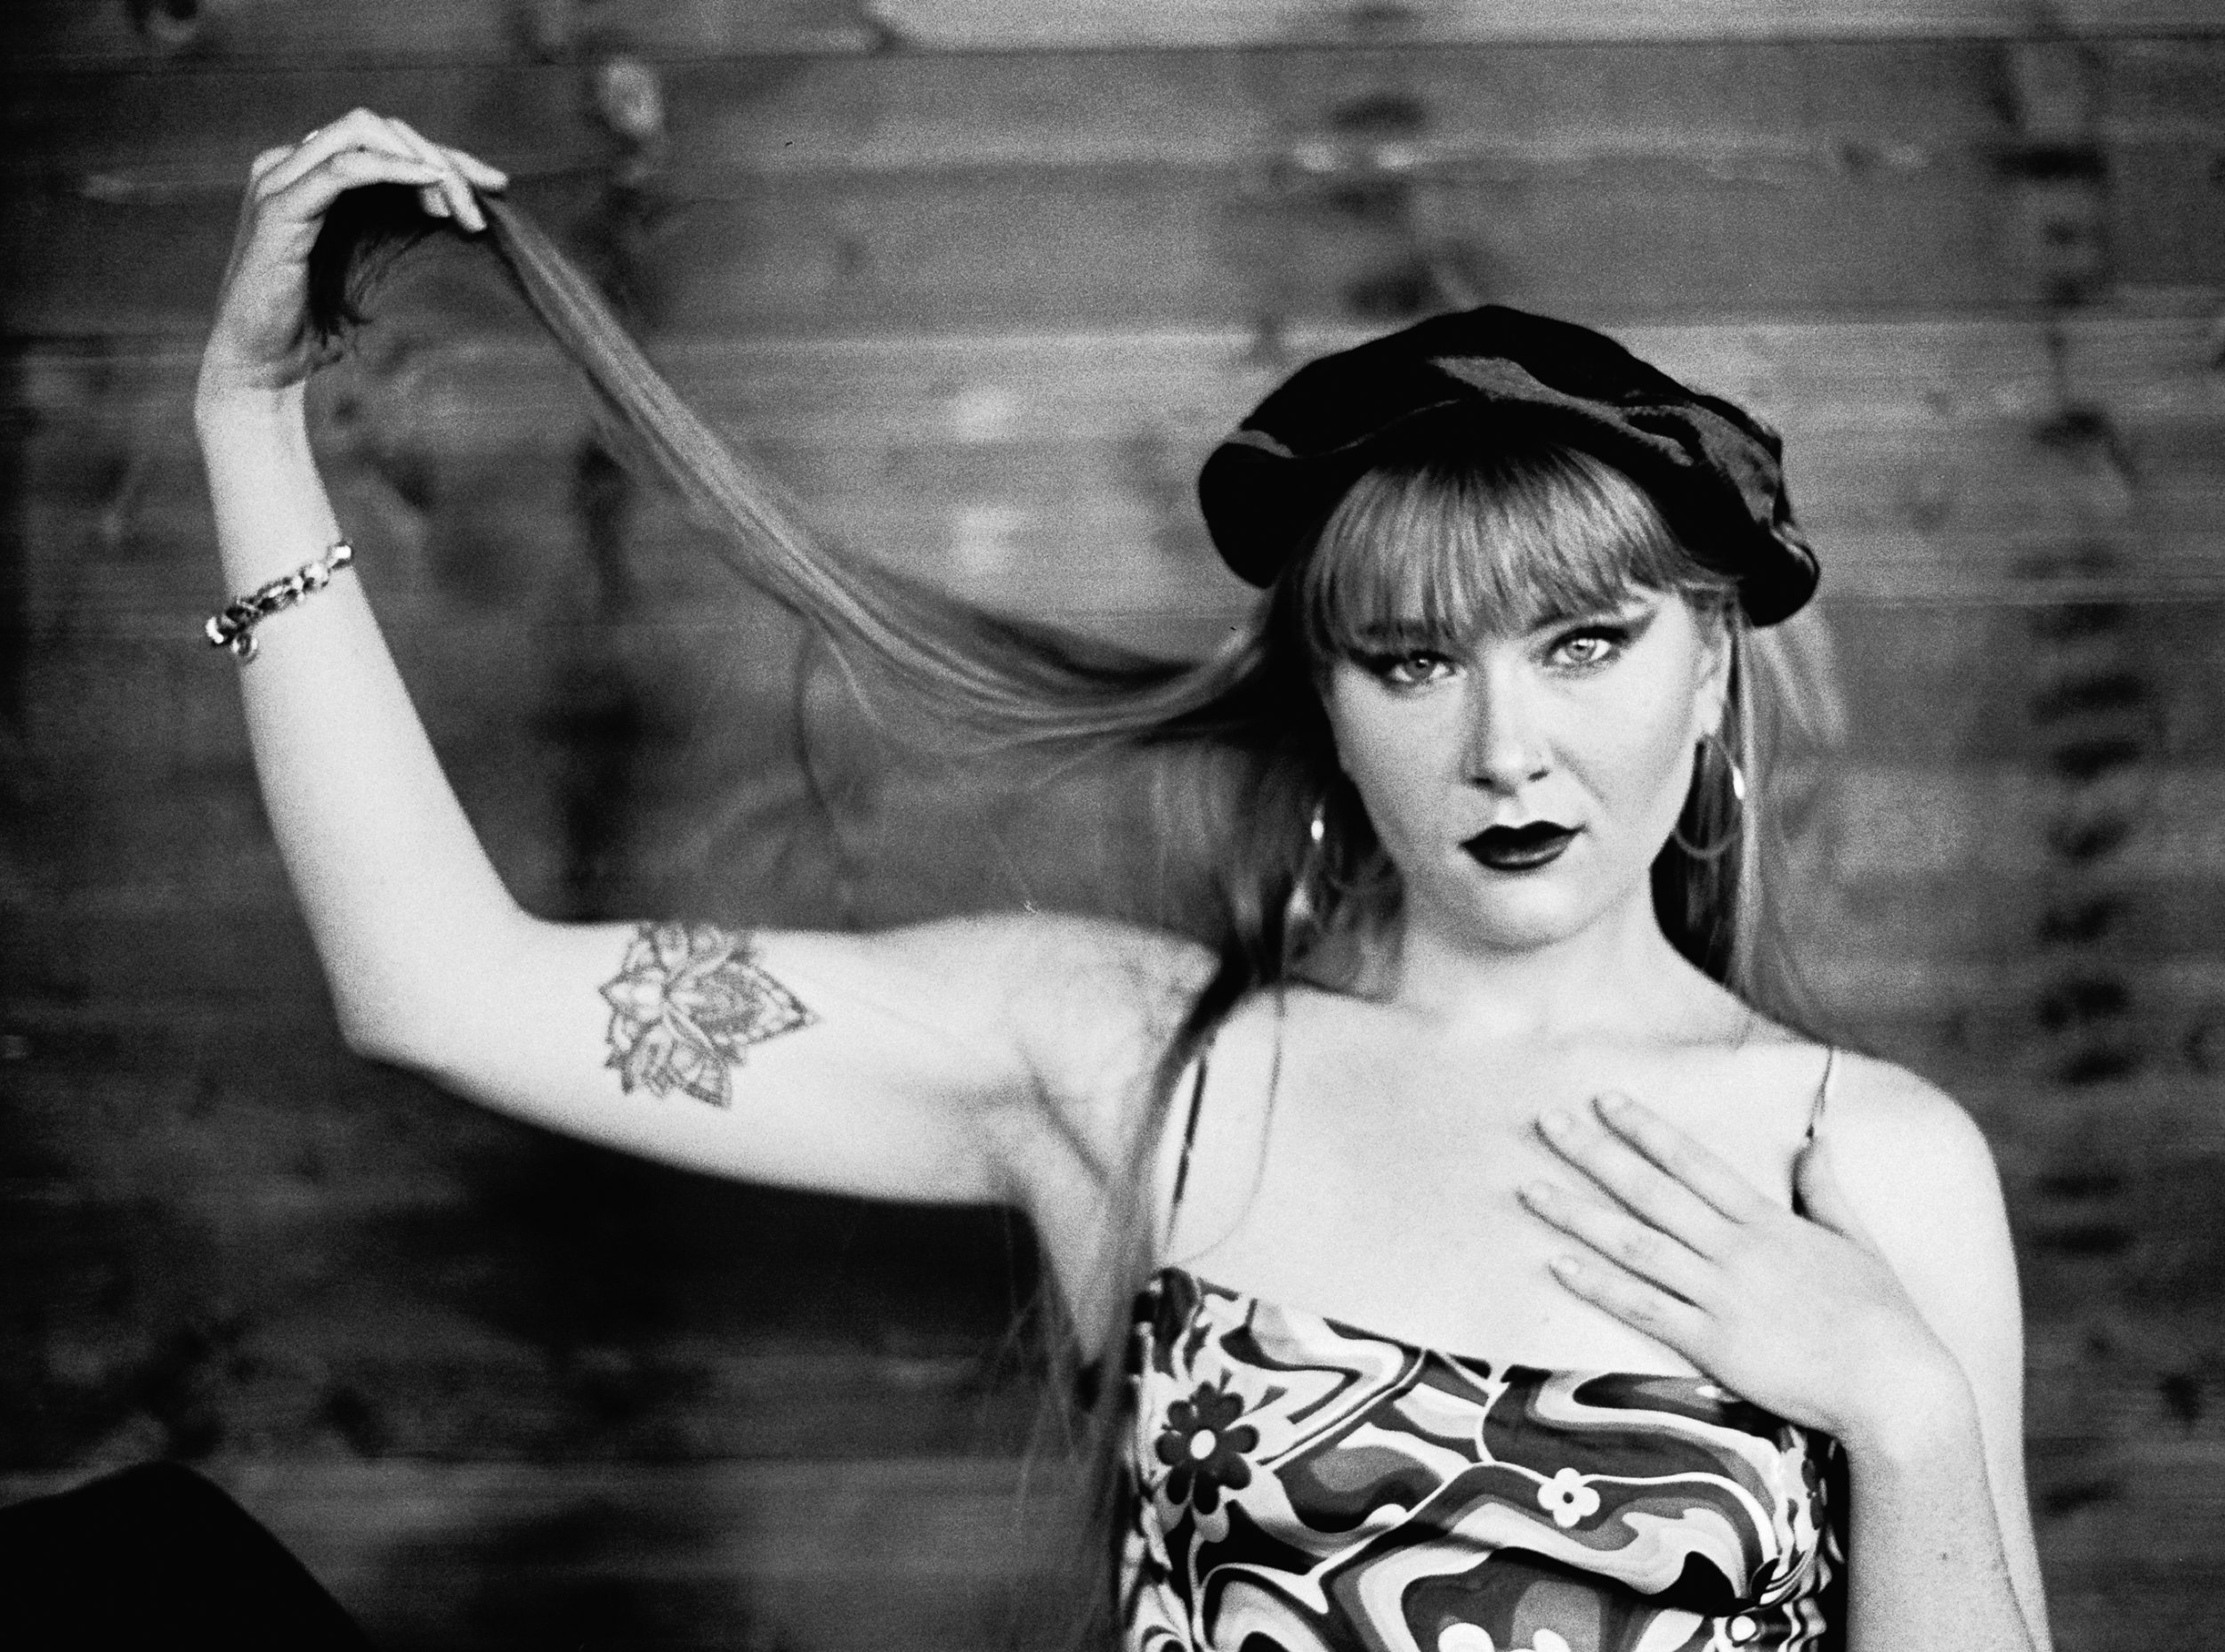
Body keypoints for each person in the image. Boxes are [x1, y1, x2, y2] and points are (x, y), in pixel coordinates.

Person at [184, 110, 2051, 1650]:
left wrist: (1902, 1415)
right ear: (1326, 701)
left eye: (1582, 645)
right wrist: (249, 426)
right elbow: (437, 982)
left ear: (1709, 663)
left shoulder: (1869, 1162)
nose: (1504, 746)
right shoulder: (1128, 1062)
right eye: (1412, 661)